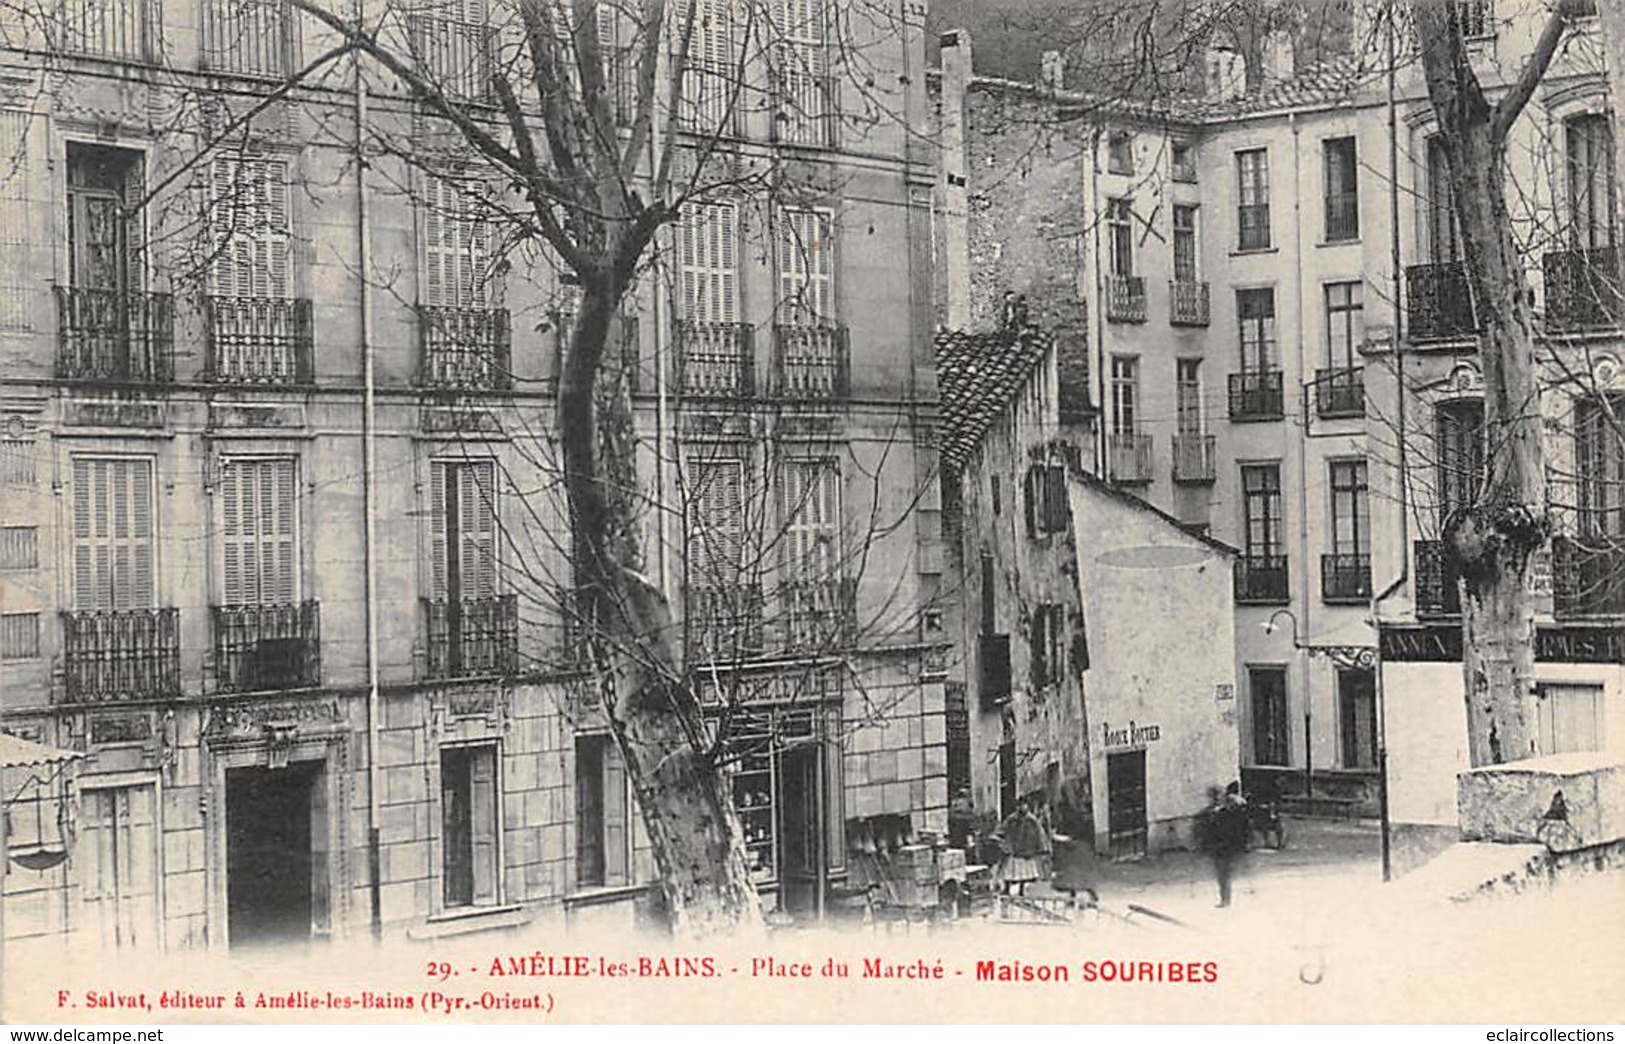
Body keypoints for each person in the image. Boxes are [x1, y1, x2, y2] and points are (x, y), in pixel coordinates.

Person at [1199, 785, 1247, 908]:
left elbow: (1238, 828)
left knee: (1225, 873)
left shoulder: (1229, 812)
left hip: (1227, 846)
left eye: (1217, 796)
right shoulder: (1208, 812)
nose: (1215, 799)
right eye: (1212, 796)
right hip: (1217, 847)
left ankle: (1226, 898)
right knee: (1222, 873)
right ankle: (1225, 898)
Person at [993, 798, 1051, 896]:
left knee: (1024, 873)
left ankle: (1022, 889)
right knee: (1008, 871)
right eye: (1019, 805)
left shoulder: (1032, 820)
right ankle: (1007, 888)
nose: (1022, 807)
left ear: (1027, 806)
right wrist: (999, 838)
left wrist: (1043, 847)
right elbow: (1002, 830)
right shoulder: (1011, 819)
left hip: (1026, 850)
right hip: (1013, 849)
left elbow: (1040, 834)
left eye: (1024, 805)